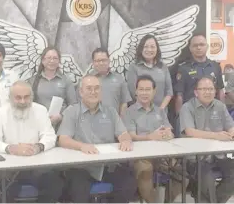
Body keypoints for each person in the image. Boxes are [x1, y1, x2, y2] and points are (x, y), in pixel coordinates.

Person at [58, 75, 137, 203]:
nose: (93, 92)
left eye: (97, 88)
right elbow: (63, 139)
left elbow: (123, 133)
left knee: (128, 182)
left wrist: (126, 140)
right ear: (81, 92)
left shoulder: (110, 111)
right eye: (89, 88)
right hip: (82, 167)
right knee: (78, 189)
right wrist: (82, 146)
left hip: (107, 165)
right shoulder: (71, 112)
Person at [0, 81, 64, 203]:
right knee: (5, 188)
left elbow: (49, 136)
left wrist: (38, 147)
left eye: (26, 97)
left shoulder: (41, 110)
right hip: (8, 169)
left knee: (55, 182)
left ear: (31, 97)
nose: (23, 101)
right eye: (18, 97)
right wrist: (11, 148)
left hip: (37, 165)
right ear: (10, 98)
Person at [179, 76, 234, 203]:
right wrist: (216, 135)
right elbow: (190, 131)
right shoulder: (187, 107)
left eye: (211, 89)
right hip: (196, 159)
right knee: (207, 179)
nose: (208, 92)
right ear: (196, 92)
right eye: (203, 89)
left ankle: (214, 201)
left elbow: (231, 126)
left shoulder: (220, 106)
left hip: (219, 156)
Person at [124, 75, 183, 203]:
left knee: (183, 173)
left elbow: (169, 131)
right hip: (140, 156)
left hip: (162, 155)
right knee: (146, 170)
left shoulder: (160, 111)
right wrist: (150, 137)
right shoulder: (129, 112)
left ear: (154, 91)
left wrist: (169, 134)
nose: (144, 93)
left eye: (148, 89)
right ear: (136, 91)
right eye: (141, 89)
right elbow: (131, 136)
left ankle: (167, 201)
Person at [28, 47, 77, 131]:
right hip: (39, 125)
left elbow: (73, 104)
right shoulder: (33, 81)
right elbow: (28, 104)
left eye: (55, 58)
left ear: (59, 61)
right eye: (49, 58)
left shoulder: (66, 80)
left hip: (62, 125)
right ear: (43, 60)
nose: (52, 61)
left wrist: (61, 116)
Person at [174, 34, 224, 113]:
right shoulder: (183, 69)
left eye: (202, 44)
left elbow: (220, 91)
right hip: (191, 113)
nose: (199, 47)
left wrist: (222, 112)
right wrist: (179, 118)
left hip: (212, 113)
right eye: (195, 45)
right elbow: (179, 95)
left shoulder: (215, 67)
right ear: (190, 48)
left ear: (207, 46)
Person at [126, 34, 173, 110]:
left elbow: (169, 92)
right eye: (146, 47)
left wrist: (161, 110)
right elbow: (133, 93)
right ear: (141, 49)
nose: (149, 50)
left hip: (161, 113)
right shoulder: (134, 67)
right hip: (141, 113)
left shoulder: (163, 67)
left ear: (157, 49)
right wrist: (147, 111)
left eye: (152, 47)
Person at [90, 47, 131, 116]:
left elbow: (124, 104)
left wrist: (120, 123)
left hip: (114, 123)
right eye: (97, 61)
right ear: (93, 63)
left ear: (109, 61)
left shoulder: (119, 79)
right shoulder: (86, 80)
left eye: (104, 60)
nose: (101, 63)